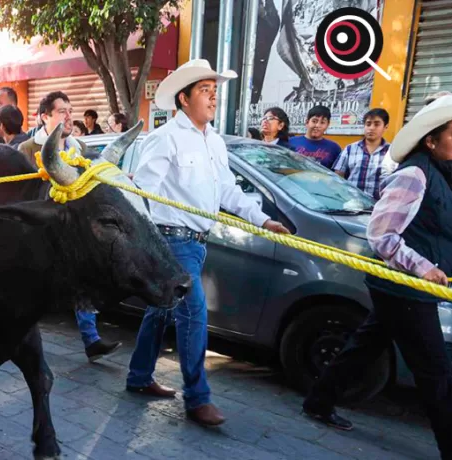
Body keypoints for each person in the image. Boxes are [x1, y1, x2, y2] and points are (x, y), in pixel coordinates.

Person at [301, 94, 452, 460]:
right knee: (436, 373)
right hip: (404, 288)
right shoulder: (415, 174)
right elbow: (382, 234)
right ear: (432, 141)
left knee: (365, 345)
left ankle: (318, 401)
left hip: (412, 288)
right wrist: (424, 268)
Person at [128, 59, 291, 426]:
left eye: (215, 91)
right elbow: (144, 194)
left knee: (161, 310)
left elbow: (229, 192)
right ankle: (197, 399)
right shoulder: (164, 138)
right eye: (205, 90)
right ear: (184, 99)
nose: (213, 97)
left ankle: (138, 377)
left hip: (199, 242)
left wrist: (263, 219)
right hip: (172, 242)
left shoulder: (214, 140)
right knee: (194, 314)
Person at [16, 91, 118, 361]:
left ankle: (91, 339)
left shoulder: (79, 148)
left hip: (73, 230)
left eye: (70, 110)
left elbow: (96, 176)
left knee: (84, 277)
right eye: (62, 111)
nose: (69, 116)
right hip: (40, 233)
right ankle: (22, 341)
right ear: (44, 117)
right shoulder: (27, 150)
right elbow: (21, 194)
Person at [333, 108, 391, 200]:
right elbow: (338, 177)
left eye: (377, 124)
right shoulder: (350, 149)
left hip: (379, 205)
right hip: (351, 203)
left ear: (385, 127)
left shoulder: (391, 152)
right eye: (368, 124)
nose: (371, 128)